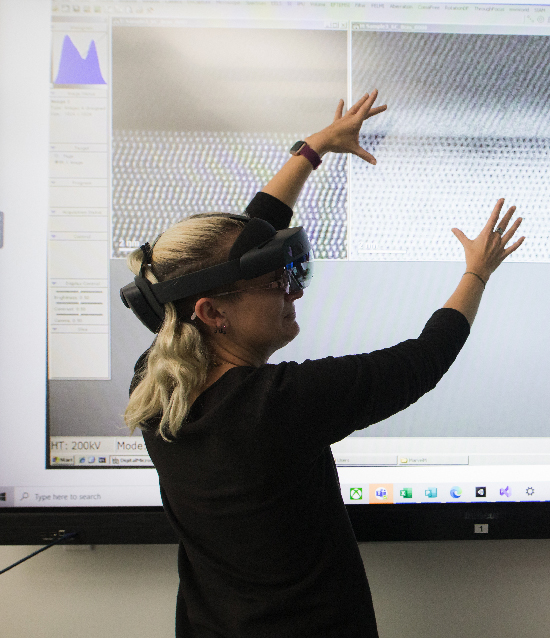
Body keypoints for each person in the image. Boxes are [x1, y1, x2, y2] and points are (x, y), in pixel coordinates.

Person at [122, 91, 523, 637]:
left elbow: (252, 231)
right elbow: (422, 361)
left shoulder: (157, 381)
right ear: (213, 311)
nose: (295, 293)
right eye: (277, 284)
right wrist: (477, 271)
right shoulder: (275, 407)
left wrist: (315, 148)